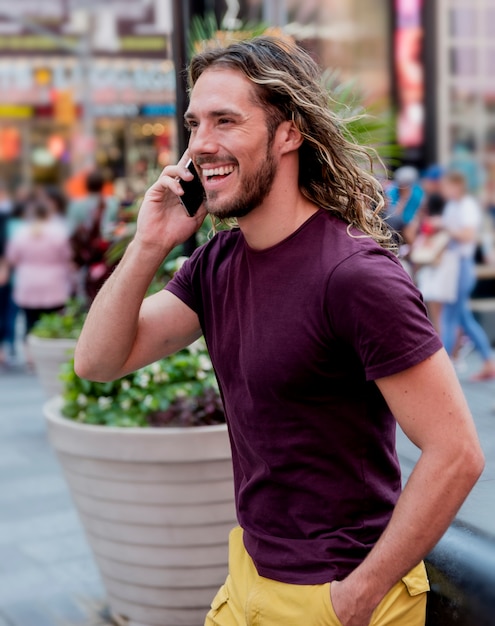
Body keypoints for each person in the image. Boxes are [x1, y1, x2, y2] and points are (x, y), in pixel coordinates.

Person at [74, 37, 484, 626]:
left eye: (226, 121)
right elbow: (99, 361)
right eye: (195, 124)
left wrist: (357, 596)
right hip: (248, 577)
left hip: (336, 594)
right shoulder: (217, 263)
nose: (202, 144)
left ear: (288, 133)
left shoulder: (353, 276)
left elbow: (458, 453)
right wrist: (149, 243)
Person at [440, 170, 495, 381]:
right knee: (463, 318)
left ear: (457, 186)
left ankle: (443, 367)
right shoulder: (454, 206)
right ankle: (488, 361)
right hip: (454, 265)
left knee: (451, 317)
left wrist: (445, 228)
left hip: (461, 266)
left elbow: (468, 234)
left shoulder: (466, 206)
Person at [6, 197, 73, 367]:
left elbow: (12, 258)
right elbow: (67, 256)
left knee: (29, 321)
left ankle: (31, 359)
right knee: (53, 319)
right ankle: (49, 355)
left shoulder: (21, 233)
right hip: (53, 281)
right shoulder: (58, 232)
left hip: (28, 281)